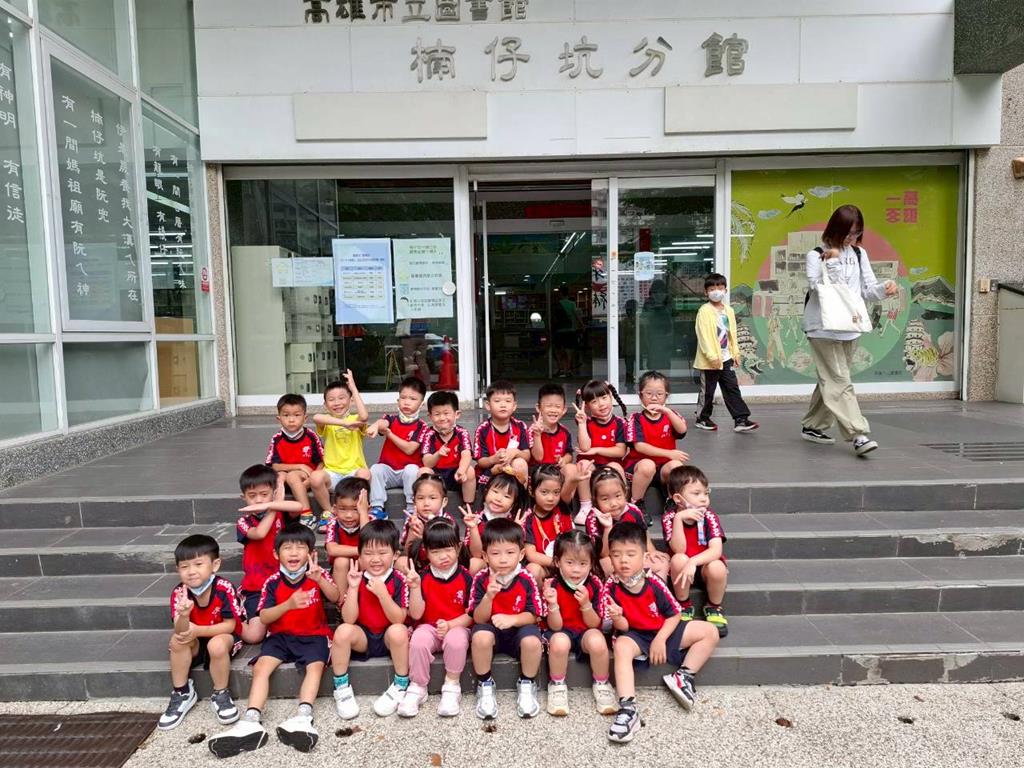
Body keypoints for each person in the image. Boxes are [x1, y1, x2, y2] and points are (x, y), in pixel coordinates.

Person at [208, 523, 340, 758]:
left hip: (313, 634)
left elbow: (336, 596)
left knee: (315, 667)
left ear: (311, 553)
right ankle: (251, 720)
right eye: (287, 548)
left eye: (300, 547)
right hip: (280, 636)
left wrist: (320, 580)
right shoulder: (272, 581)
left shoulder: (317, 574)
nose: (294, 553)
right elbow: (265, 617)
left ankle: (303, 717)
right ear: (276, 554)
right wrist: (288, 604)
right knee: (261, 667)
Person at [604, 521, 720, 744]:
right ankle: (628, 709)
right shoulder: (611, 587)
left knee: (709, 631)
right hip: (635, 635)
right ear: (610, 558)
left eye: (630, 554)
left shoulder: (653, 582)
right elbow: (623, 628)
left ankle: (683, 676)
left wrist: (660, 639)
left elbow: (674, 614)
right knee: (621, 647)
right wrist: (617, 617)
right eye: (616, 555)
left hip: (662, 631)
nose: (623, 560)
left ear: (644, 556)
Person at [802, 205, 898, 456]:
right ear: (835, 229)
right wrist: (832, 261)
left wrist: (885, 288)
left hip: (850, 327)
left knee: (833, 378)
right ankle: (858, 434)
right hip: (823, 328)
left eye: (856, 233)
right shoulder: (815, 255)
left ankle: (813, 425)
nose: (851, 237)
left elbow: (866, 290)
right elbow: (820, 290)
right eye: (847, 232)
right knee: (839, 380)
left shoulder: (858, 253)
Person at [159, 534, 243, 731]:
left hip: (222, 635)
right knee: (177, 640)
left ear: (215, 565)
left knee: (217, 645)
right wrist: (184, 615)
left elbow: (230, 626)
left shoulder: (223, 588)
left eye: (198, 564)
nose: (191, 572)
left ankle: (221, 693)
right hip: (194, 639)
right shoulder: (180, 593)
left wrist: (199, 630)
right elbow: (181, 630)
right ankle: (182, 693)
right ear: (178, 569)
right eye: (184, 566)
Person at [332, 520, 411, 720]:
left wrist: (382, 594)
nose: (375, 559)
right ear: (359, 556)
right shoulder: (357, 577)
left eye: (382, 553)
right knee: (342, 631)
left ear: (395, 555)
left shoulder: (399, 579)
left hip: (388, 637)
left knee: (399, 631)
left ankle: (401, 684)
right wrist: (352, 587)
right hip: (364, 636)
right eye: (368, 553)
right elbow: (349, 618)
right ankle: (341, 687)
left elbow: (399, 619)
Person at [469, 518, 545, 720]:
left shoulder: (526, 578)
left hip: (519, 629)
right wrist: (488, 597)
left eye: (510, 553)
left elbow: (535, 615)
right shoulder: (481, 578)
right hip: (491, 631)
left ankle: (527, 683)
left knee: (532, 641)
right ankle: (485, 684)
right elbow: (478, 618)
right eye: (495, 553)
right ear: (485, 556)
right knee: (480, 637)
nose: (503, 559)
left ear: (521, 554)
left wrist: (512, 619)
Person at [399, 518, 473, 718]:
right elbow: (416, 614)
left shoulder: (466, 577)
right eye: (436, 551)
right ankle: (417, 686)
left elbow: (471, 615)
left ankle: (451, 686)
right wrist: (415, 588)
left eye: (448, 549)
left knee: (456, 640)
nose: (443, 556)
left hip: (457, 626)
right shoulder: (422, 577)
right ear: (426, 552)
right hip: (429, 626)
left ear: (458, 548)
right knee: (419, 639)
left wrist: (450, 625)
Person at [541, 530, 616, 717]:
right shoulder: (552, 585)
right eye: (569, 562)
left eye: (583, 563)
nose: (576, 570)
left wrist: (586, 605)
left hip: (585, 632)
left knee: (597, 641)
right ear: (557, 562)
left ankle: (602, 683)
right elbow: (555, 627)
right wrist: (553, 604)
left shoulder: (595, 584)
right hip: (561, 631)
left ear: (591, 564)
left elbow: (594, 624)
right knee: (559, 642)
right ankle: (557, 685)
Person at [235, 465, 302, 644]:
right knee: (253, 636)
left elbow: (299, 506)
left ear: (274, 493)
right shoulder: (244, 521)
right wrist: (272, 507)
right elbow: (260, 533)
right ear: (243, 498)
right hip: (256, 586)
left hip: (283, 583)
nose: (258, 500)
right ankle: (231, 619)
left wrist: (272, 504)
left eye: (264, 494)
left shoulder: (281, 512)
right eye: (252, 496)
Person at [663, 466, 729, 637]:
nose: (703, 499)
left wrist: (693, 562)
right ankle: (684, 605)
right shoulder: (670, 517)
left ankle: (713, 607)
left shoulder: (709, 516)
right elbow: (679, 549)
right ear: (678, 498)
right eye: (696, 493)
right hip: (681, 571)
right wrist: (679, 519)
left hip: (704, 567)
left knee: (717, 567)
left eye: (706, 493)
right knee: (678, 558)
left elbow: (716, 550)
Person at [694, 274, 759, 433]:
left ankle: (741, 419)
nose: (716, 291)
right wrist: (712, 357)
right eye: (712, 289)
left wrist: (735, 354)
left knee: (732, 388)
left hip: (726, 357)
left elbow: (732, 334)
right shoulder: (704, 311)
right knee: (708, 391)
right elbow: (703, 336)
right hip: (710, 360)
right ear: (706, 292)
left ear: (725, 290)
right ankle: (702, 418)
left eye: (720, 288)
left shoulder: (728, 310)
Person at [585, 466, 669, 581]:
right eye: (605, 499)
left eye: (618, 496)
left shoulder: (633, 510)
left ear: (625, 492)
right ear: (595, 500)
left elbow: (644, 534)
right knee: (606, 563)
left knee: (661, 562)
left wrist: (652, 551)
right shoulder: (593, 518)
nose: (613, 503)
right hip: (612, 559)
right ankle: (620, 591)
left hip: (633, 556)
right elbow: (603, 554)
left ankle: (655, 590)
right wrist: (607, 527)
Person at [624, 371, 690, 514]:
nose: (654, 398)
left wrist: (668, 412)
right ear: (640, 395)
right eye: (649, 393)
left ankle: (672, 502)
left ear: (666, 396)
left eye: (659, 394)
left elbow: (682, 430)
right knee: (647, 465)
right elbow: (639, 446)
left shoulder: (671, 416)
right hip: (640, 468)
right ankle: (636, 503)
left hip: (663, 469)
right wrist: (669, 453)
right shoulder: (636, 418)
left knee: (676, 466)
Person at [266, 393, 331, 529]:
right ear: (279, 418)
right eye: (286, 415)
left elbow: (322, 461)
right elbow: (274, 465)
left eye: (296, 415)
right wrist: (300, 465)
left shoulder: (311, 436)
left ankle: (306, 514)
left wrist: (313, 477)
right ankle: (276, 515)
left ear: (305, 418)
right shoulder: (277, 439)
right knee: (280, 476)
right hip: (290, 475)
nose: (291, 420)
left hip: (306, 476)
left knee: (292, 476)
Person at [366, 376, 428, 520]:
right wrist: (376, 425)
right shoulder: (391, 419)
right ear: (398, 400)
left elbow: (409, 449)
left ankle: (411, 508)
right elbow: (383, 423)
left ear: (421, 404)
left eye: (413, 399)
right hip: (389, 471)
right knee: (376, 469)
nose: (407, 402)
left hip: (408, 473)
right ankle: (377, 508)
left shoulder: (421, 426)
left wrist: (389, 434)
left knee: (412, 470)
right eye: (403, 398)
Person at [313, 371, 373, 514]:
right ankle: (329, 512)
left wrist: (353, 388)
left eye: (341, 398)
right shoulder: (328, 421)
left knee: (365, 474)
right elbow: (316, 417)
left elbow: (364, 416)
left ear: (351, 400)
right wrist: (344, 423)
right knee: (315, 477)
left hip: (353, 472)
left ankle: (357, 511)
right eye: (331, 399)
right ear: (325, 404)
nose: (337, 403)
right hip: (332, 473)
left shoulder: (355, 419)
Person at [574, 379, 629, 524]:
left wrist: (596, 450)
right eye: (594, 401)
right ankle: (586, 506)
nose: (601, 404)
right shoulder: (587, 422)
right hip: (592, 466)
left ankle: (624, 503)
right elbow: (585, 448)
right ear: (587, 406)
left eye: (604, 398)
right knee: (583, 465)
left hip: (611, 465)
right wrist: (582, 424)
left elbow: (620, 451)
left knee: (616, 467)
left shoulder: (619, 423)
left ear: (611, 397)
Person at [529, 383, 592, 505]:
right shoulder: (533, 430)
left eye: (557, 407)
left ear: (564, 410)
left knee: (572, 468)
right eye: (548, 406)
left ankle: (564, 505)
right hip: (538, 473)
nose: (553, 410)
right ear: (538, 408)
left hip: (557, 472)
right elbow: (538, 457)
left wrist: (564, 460)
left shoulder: (564, 432)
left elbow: (569, 454)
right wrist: (537, 435)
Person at [461, 472, 529, 573]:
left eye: (506, 496)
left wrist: (515, 531)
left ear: (514, 503)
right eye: (495, 491)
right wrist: (473, 528)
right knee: (475, 563)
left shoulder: (516, 521)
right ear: (486, 491)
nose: (498, 499)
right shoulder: (476, 519)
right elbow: (477, 554)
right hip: (485, 565)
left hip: (506, 564)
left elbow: (517, 555)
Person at [419, 389, 477, 505]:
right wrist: (438, 454)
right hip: (436, 476)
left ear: (457, 414)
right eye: (437, 414)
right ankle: (430, 505)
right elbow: (427, 462)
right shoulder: (428, 434)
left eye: (446, 413)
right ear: (430, 416)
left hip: (456, 474)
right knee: (423, 471)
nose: (442, 418)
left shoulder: (461, 433)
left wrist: (461, 471)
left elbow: (466, 454)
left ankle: (468, 505)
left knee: (470, 471)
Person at [521, 463, 575, 583]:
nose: (551, 498)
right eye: (544, 492)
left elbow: (568, 491)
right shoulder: (528, 519)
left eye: (556, 492)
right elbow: (531, 554)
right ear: (531, 491)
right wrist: (557, 563)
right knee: (533, 569)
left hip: (568, 563)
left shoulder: (562, 508)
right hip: (545, 566)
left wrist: (575, 480)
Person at [473, 380, 531, 486]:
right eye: (497, 401)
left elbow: (527, 455)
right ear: (488, 405)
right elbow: (481, 461)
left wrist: (515, 452)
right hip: (491, 470)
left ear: (514, 406)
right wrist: (494, 459)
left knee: (520, 463)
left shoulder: (520, 426)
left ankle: (521, 496)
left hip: (513, 469)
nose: (503, 405)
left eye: (508, 401)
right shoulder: (483, 429)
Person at [398, 473, 456, 572]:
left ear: (444, 501)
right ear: (414, 501)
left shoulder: (448, 521)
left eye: (432, 498)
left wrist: (423, 536)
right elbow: (407, 552)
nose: (426, 503)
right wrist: (412, 531)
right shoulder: (412, 521)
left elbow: (449, 551)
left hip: (443, 564)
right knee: (401, 562)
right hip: (419, 564)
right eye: (420, 498)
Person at [324, 476, 371, 594]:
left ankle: (365, 597)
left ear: (367, 508)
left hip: (364, 567)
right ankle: (341, 600)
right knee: (341, 561)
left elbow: (369, 544)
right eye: (343, 509)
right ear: (334, 509)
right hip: (342, 571)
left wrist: (363, 514)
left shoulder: (371, 521)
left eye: (355, 509)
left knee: (365, 559)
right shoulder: (334, 523)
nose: (349, 515)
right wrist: (362, 550)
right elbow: (332, 549)